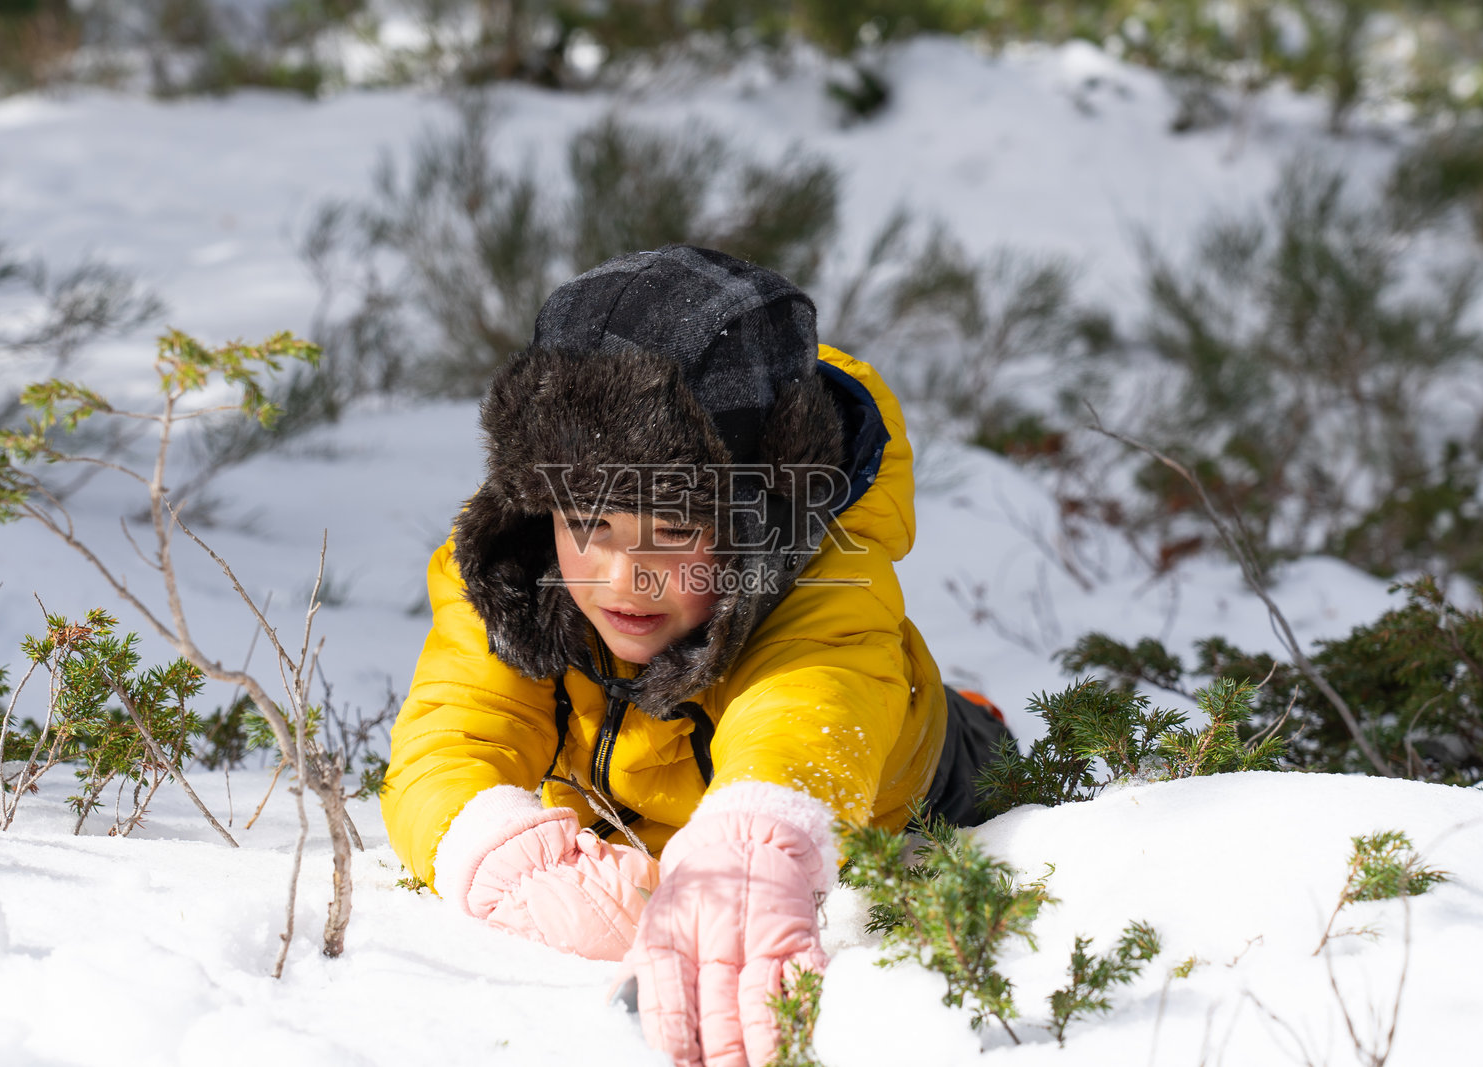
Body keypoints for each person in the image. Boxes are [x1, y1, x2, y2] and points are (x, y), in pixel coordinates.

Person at [381, 245, 1011, 1067]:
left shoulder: (823, 581)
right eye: (591, 528)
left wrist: (750, 848)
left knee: (967, 755)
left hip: (912, 776)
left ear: (756, 523)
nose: (624, 579)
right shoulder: (514, 572)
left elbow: (811, 699)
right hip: (655, 808)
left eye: (674, 534)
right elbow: (452, 731)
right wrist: (509, 859)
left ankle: (977, 715)